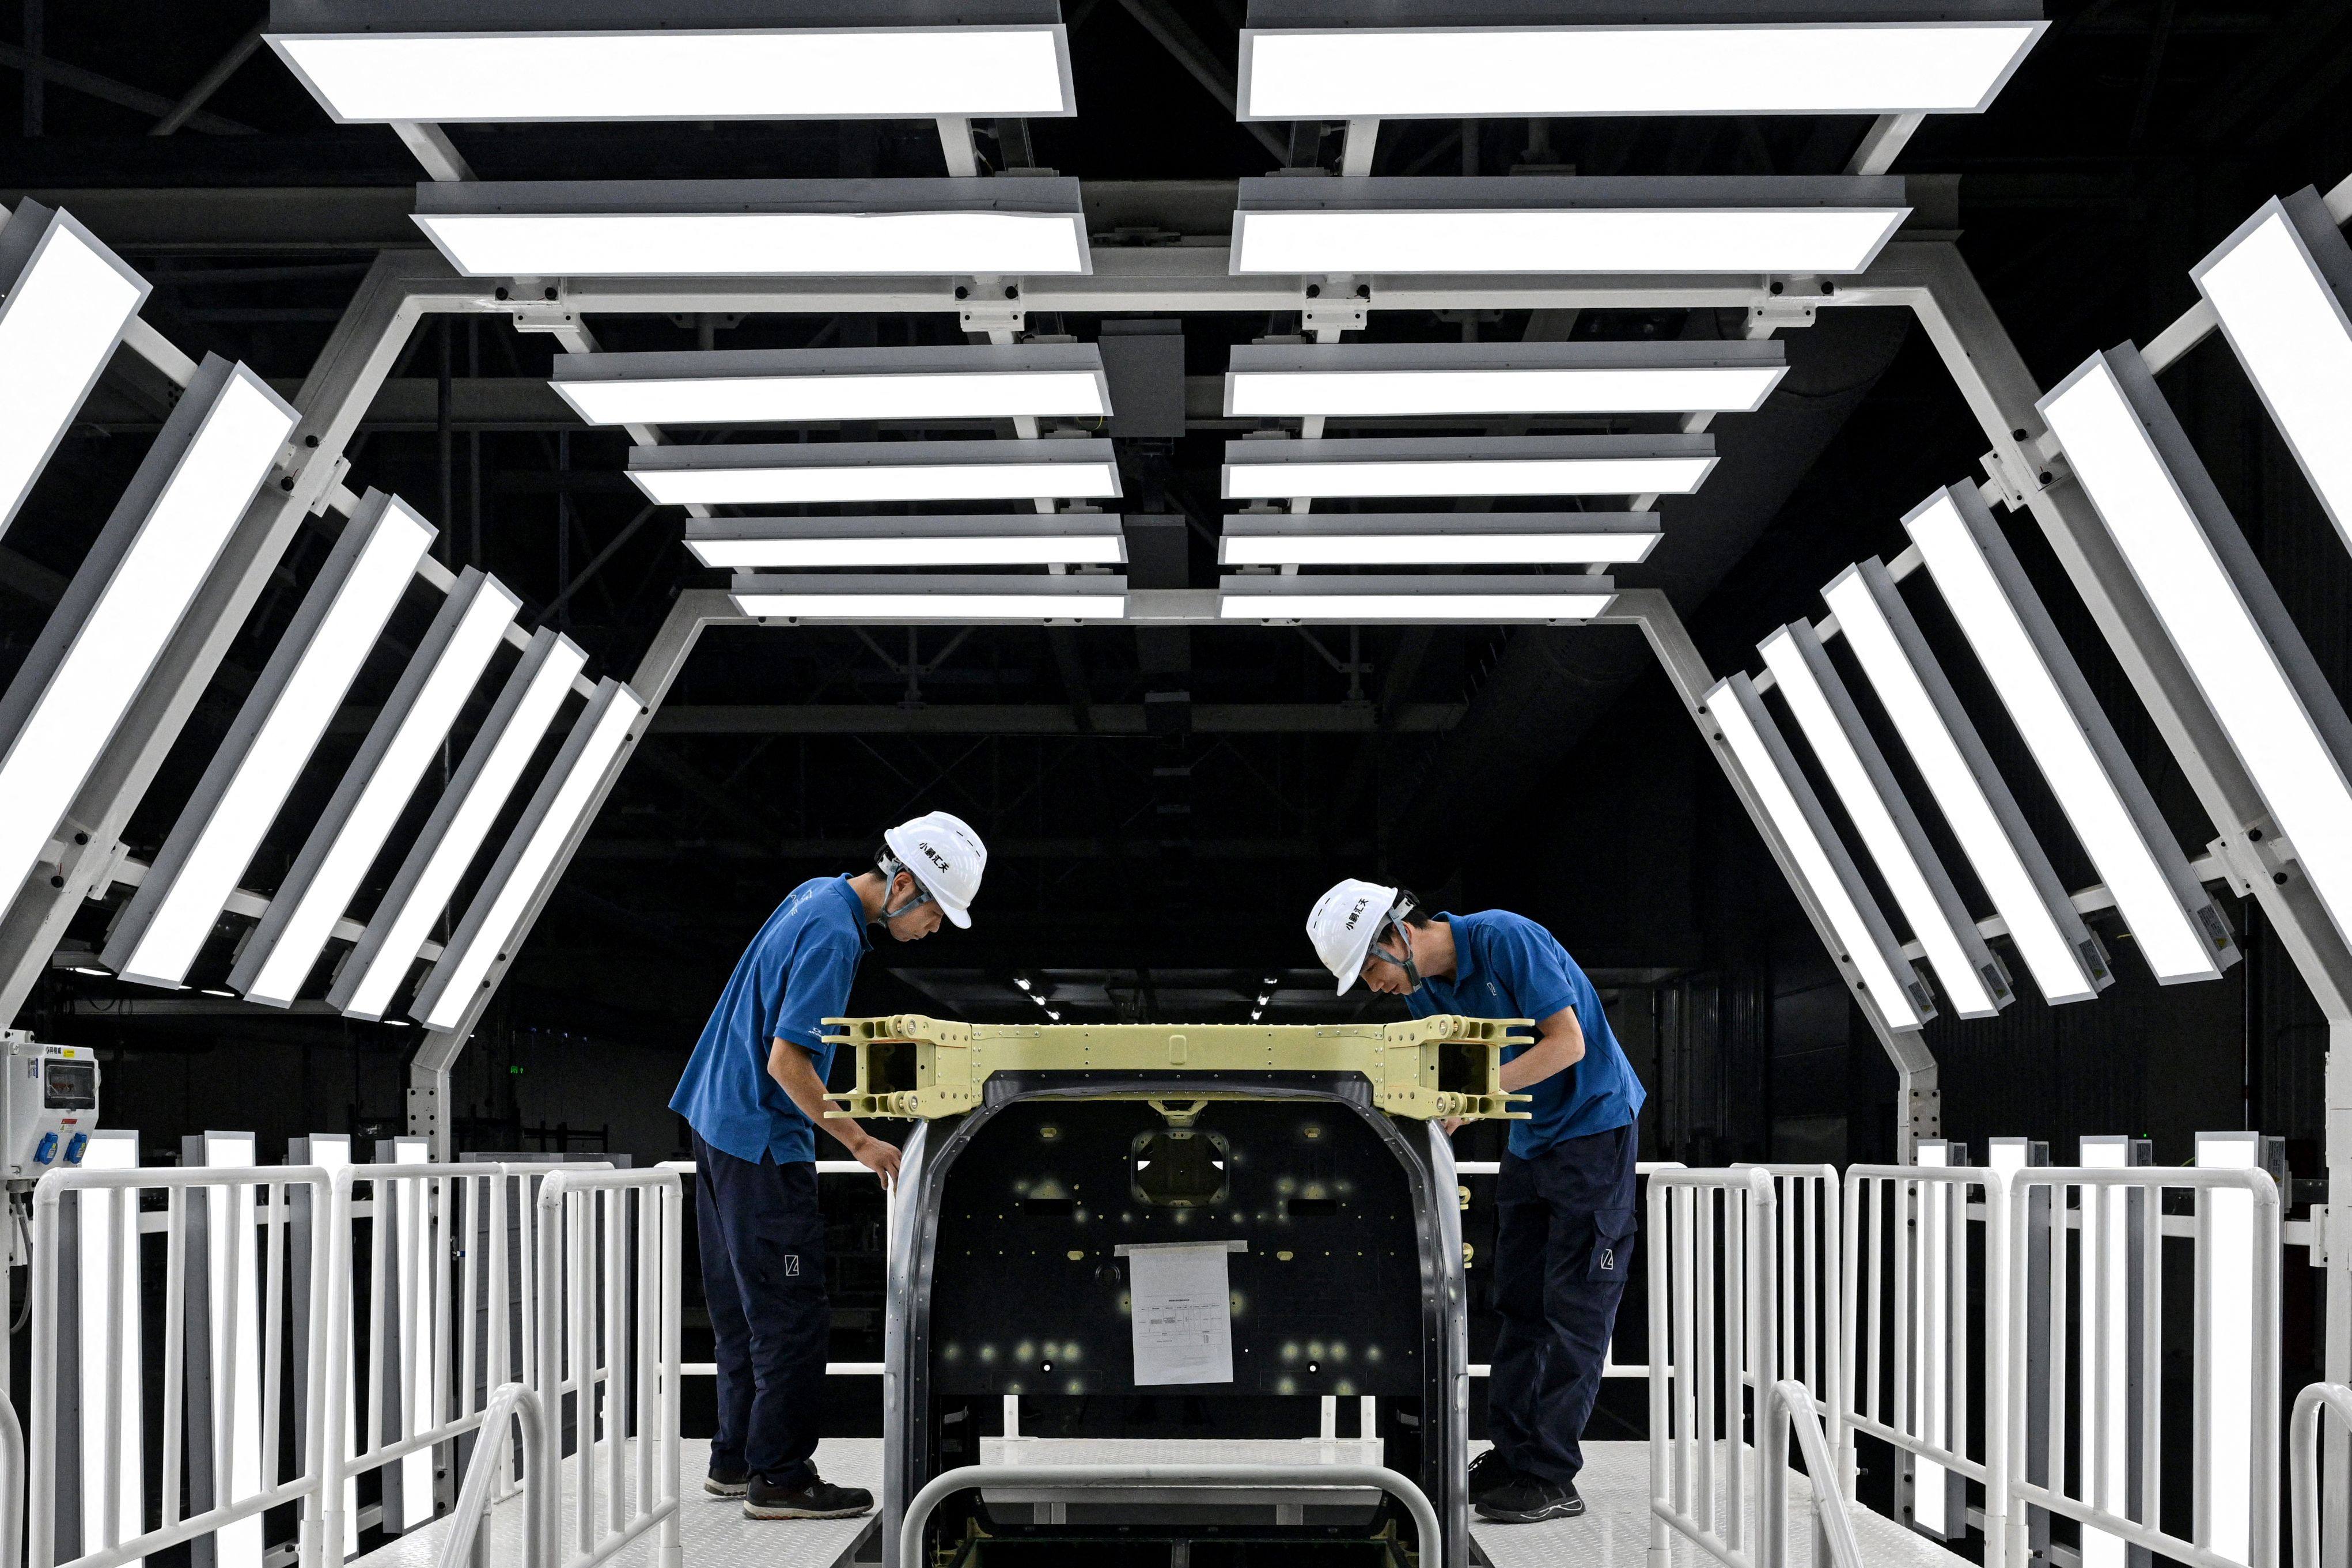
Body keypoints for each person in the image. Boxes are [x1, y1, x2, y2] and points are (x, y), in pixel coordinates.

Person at [671, 811, 987, 1520]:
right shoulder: (837, 935)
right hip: (759, 1136)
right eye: (935, 912)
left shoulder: (815, 893)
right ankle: (780, 1477)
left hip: (714, 1120)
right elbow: (788, 1061)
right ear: (903, 883)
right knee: (793, 1316)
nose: (933, 929)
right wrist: (862, 1142)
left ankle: (734, 1459)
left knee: (739, 1312)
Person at [1306, 878, 1646, 1526]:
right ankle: (1514, 1452)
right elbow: (1457, 1089)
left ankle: (1550, 1475)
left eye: (1370, 968)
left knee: (1575, 1306)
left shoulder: (1504, 938)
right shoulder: (1425, 991)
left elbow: (1566, 1043)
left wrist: (1464, 1099)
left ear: (1397, 934)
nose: (1375, 986)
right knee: (1517, 1299)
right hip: (1531, 1134)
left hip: (1594, 1128)